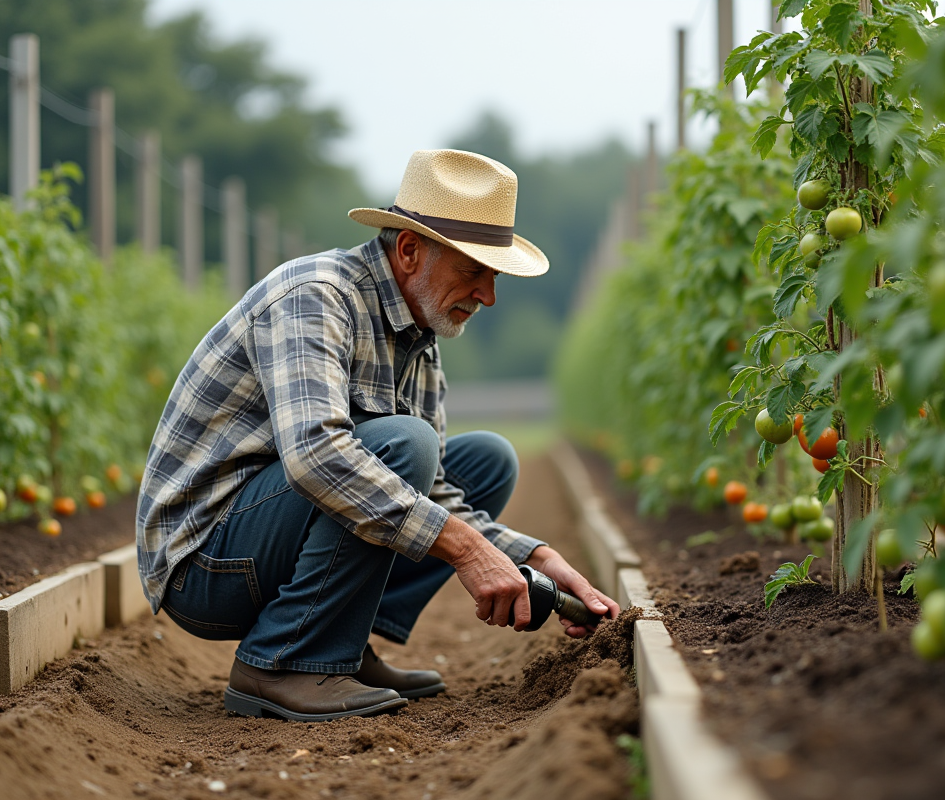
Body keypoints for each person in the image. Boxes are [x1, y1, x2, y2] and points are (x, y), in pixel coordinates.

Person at [136, 149, 619, 723]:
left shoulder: (420, 333)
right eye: (474, 269)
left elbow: (433, 489)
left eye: (494, 276)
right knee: (405, 445)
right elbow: (316, 455)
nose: (487, 294)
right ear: (410, 250)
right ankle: (281, 663)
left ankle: (339, 643)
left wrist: (534, 556)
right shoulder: (315, 296)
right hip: (207, 564)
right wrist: (467, 550)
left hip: (269, 539)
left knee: (486, 460)